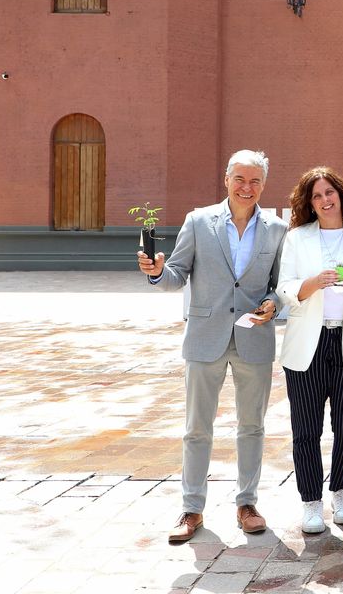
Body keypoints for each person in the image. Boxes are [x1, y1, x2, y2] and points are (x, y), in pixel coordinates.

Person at [137, 149, 288, 543]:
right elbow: (176, 274)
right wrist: (157, 272)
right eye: (240, 178)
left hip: (254, 339)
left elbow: (280, 285)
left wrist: (274, 303)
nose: (247, 187)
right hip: (205, 339)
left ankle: (247, 503)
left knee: (252, 427)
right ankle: (191, 509)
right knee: (196, 429)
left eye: (255, 181)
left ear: (263, 185)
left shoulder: (275, 229)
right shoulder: (198, 220)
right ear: (226, 179)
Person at [275, 167, 343, 533]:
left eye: (329, 193)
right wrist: (311, 284)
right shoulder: (297, 238)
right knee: (306, 429)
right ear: (309, 203)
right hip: (307, 343)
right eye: (317, 196)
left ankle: (341, 491)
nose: (325, 200)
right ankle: (310, 502)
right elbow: (285, 289)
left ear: (341, 194)